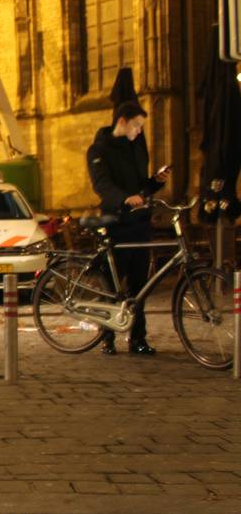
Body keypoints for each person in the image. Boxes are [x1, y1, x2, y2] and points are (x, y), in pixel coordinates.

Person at [86, 99, 171, 356]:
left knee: (139, 285)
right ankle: (106, 336)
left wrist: (155, 182)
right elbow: (102, 185)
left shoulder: (136, 148)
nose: (139, 131)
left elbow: (141, 188)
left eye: (141, 127)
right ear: (122, 122)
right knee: (113, 284)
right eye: (136, 125)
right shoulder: (99, 149)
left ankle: (138, 339)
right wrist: (123, 198)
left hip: (140, 223)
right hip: (117, 223)